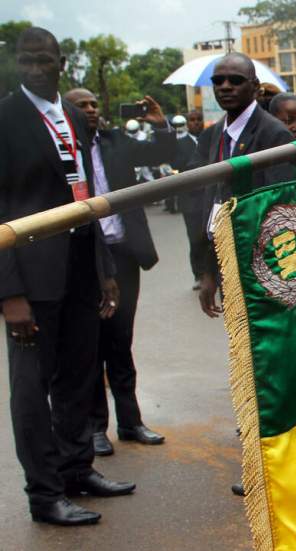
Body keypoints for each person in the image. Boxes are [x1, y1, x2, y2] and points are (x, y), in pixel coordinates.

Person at [0, 26, 134, 527]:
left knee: (80, 375)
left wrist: (103, 271)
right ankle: (45, 492)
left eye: (43, 60)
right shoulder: (5, 117)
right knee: (33, 388)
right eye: (24, 60)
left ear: (61, 61)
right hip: (30, 276)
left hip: (80, 264)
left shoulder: (75, 117)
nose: (34, 68)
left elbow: (87, 196)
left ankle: (78, 469)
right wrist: (8, 293)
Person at [189, 52, 295, 498]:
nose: (226, 86)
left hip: (265, 273)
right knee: (244, 365)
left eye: (236, 79)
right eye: (220, 80)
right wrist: (207, 274)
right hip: (227, 269)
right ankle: (258, 452)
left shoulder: (274, 134)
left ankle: (270, 464)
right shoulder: (212, 138)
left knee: (270, 366)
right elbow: (203, 205)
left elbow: (281, 209)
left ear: (255, 86)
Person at [64, 88, 175, 457]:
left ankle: (130, 421)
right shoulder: (62, 150)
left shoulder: (115, 141)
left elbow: (162, 155)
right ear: (66, 110)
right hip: (85, 259)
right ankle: (97, 427)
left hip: (123, 255)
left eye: (95, 103)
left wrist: (159, 126)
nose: (91, 109)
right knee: (91, 343)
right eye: (82, 105)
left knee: (121, 340)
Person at [172, 112, 208, 290]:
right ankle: (199, 274)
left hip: (210, 195)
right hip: (190, 199)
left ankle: (215, 273)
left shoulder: (209, 139)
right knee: (195, 238)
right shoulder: (180, 143)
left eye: (198, 120)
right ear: (187, 123)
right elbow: (175, 164)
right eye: (192, 120)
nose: (196, 123)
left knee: (213, 237)